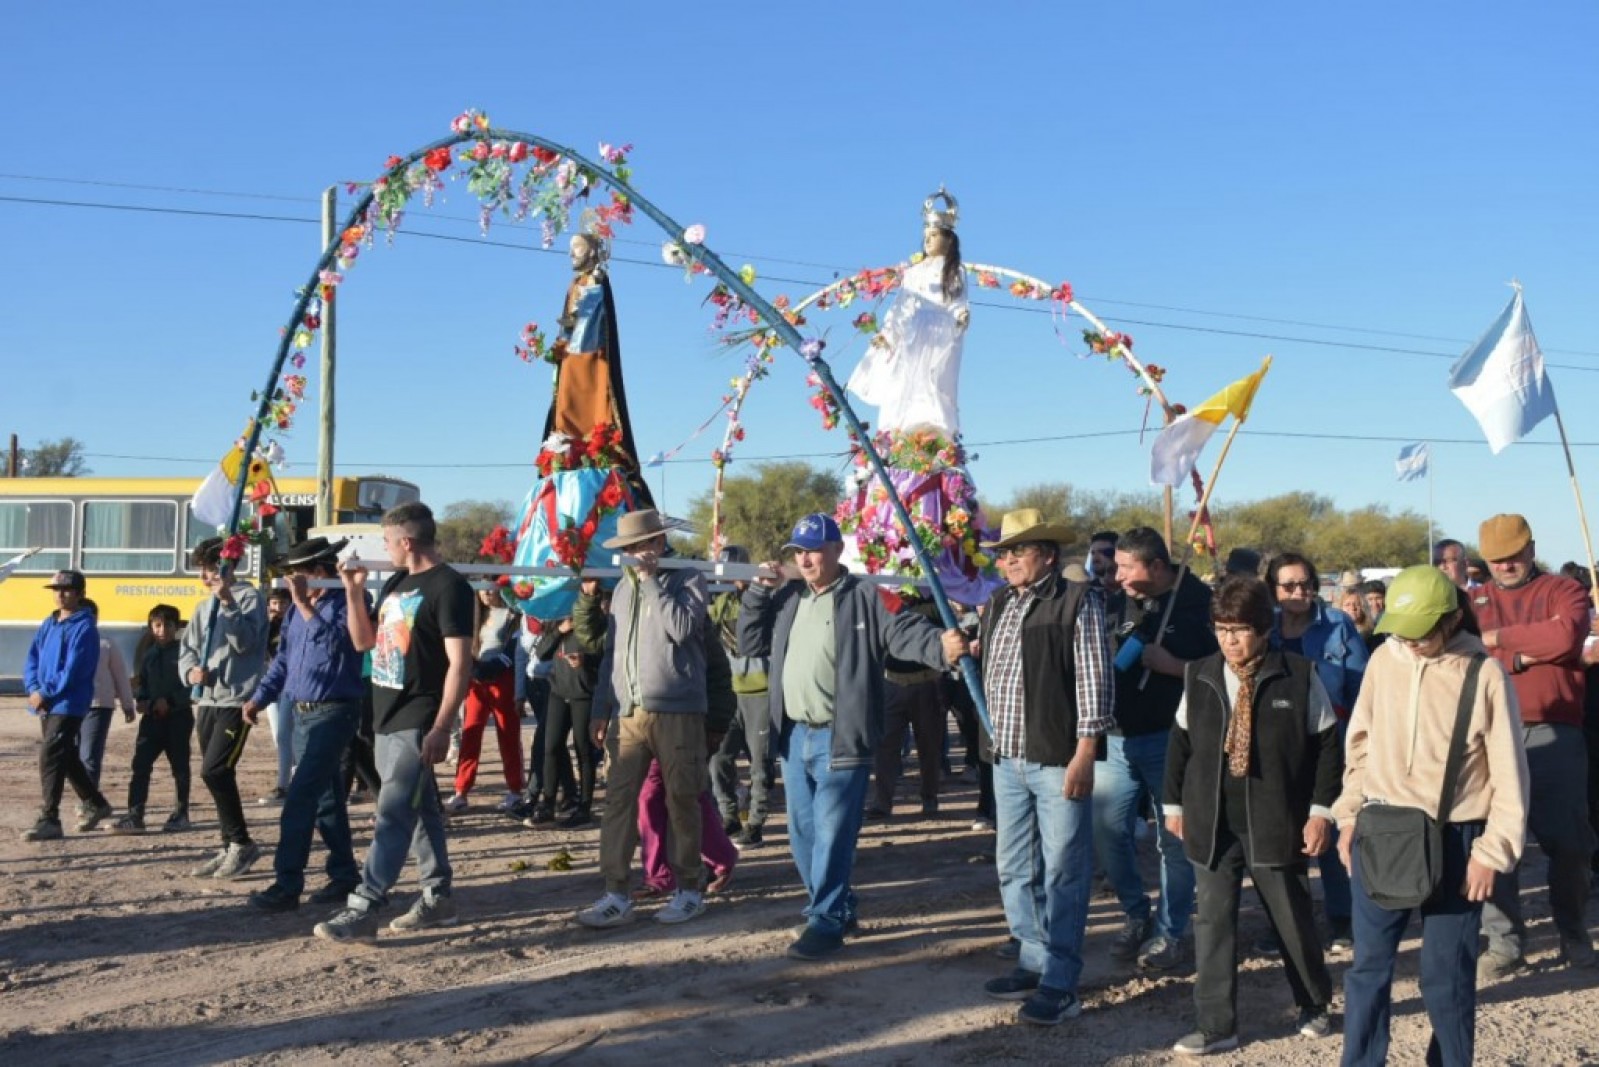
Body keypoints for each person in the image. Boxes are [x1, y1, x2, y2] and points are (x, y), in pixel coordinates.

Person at [740, 512, 966, 962]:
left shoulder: (867, 595)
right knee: (803, 833)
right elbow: (749, 643)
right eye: (798, 552)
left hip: (841, 736)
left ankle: (824, 920)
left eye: (813, 550)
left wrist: (942, 646)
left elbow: (906, 631)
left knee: (832, 830)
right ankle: (837, 905)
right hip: (794, 735)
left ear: (836, 550)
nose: (805, 560)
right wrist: (756, 595)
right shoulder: (787, 598)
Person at [1335, 565, 1529, 1066]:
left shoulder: (1483, 672)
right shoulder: (1383, 661)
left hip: (1457, 841)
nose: (1410, 641)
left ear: (1448, 619)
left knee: (1446, 978)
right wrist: (1349, 816)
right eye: (1401, 630)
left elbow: (1509, 772)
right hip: (1381, 832)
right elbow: (1359, 747)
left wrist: (1493, 852)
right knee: (1369, 970)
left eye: (1419, 632)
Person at [1164, 576, 1341, 1055]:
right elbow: (1180, 745)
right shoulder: (1198, 674)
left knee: (1291, 917)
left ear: (1263, 629)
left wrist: (1321, 811)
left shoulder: (1298, 675)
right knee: (1214, 922)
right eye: (1221, 629)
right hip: (1212, 820)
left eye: (1239, 630)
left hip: (1275, 817)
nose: (1229, 640)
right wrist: (1174, 804)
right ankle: (1216, 1025)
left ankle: (1315, 1003)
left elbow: (1328, 746)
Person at [968, 509, 1114, 1026]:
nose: (1007, 560)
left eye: (1018, 551)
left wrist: (1084, 752)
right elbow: (991, 661)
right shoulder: (1001, 602)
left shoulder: (1078, 601)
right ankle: (1031, 959)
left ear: (1047, 555)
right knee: (1014, 866)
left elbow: (1094, 682)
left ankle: (1060, 980)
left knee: (1063, 872)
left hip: (1056, 759)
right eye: (1004, 552)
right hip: (1006, 758)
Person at [313, 502, 475, 942]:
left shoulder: (450, 588)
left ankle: (365, 906)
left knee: (393, 812)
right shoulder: (398, 582)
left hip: (419, 716)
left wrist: (442, 726)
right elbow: (365, 641)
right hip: (385, 714)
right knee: (421, 810)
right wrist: (352, 590)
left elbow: (461, 663)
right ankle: (439, 898)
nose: (383, 549)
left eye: (386, 541)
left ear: (406, 541)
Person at [1470, 513, 1596, 976]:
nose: (1505, 566)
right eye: (1496, 559)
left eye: (1514, 556)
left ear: (1531, 549)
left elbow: (1566, 635)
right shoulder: (1472, 600)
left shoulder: (1564, 590)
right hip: (1488, 734)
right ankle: (1504, 943)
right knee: (1494, 843)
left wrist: (1501, 644)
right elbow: (1465, 649)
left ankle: (1573, 933)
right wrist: (1526, 654)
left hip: (1554, 730)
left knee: (1569, 843)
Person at [577, 509, 712, 929]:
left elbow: (682, 629)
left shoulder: (688, 578)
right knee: (619, 801)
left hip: (678, 710)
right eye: (630, 548)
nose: (637, 554)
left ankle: (689, 888)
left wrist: (653, 582)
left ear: (658, 543)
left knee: (681, 799)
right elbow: (611, 656)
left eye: (642, 545)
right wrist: (602, 707)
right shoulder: (621, 592)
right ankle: (616, 892)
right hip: (628, 713)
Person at [1097, 527, 1215, 971]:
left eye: (1126, 566)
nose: (1117, 573)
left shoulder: (1199, 604)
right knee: (1106, 831)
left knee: (1173, 841)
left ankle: (1170, 931)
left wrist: (1175, 668)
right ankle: (1135, 913)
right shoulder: (1116, 602)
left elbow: (1228, 672)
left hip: (1171, 739)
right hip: (1116, 736)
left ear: (1158, 566)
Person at [241, 537, 370, 913]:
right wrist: (260, 696)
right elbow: (284, 658)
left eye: (295, 573)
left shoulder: (348, 600)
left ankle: (287, 884)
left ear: (317, 572)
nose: (289, 582)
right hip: (301, 712)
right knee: (327, 799)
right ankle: (345, 874)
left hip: (334, 711)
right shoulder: (299, 612)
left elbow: (336, 644)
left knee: (300, 797)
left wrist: (300, 603)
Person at [1266, 552, 1368, 953]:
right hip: (1278, 750)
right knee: (1283, 837)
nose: (1299, 592)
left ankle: (1343, 920)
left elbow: (1362, 688)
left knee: (1333, 828)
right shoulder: (1264, 628)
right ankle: (1287, 925)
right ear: (1273, 590)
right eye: (1289, 585)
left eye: (1306, 584)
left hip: (1331, 745)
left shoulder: (1338, 626)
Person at [845, 187, 970, 436]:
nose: (928, 241)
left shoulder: (955, 270)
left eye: (934, 235)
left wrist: (960, 314)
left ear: (948, 238)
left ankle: (932, 430)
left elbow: (959, 299)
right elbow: (901, 306)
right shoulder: (913, 272)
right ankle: (900, 429)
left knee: (933, 380)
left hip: (941, 331)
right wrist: (889, 333)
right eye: (926, 236)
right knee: (904, 379)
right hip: (914, 329)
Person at [180, 537, 269, 879]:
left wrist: (228, 603)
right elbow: (188, 648)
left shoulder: (249, 598)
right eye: (201, 571)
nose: (204, 578)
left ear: (227, 567)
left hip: (237, 698)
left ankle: (242, 843)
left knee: (214, 770)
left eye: (209, 570)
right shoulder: (203, 608)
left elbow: (246, 643)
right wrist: (191, 672)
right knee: (216, 773)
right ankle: (228, 843)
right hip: (207, 699)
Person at [544, 230, 652, 508]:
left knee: (593, 408)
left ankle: (596, 448)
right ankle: (566, 450)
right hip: (572, 362)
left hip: (590, 360)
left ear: (592, 251)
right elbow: (569, 326)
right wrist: (556, 345)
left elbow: (587, 328)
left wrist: (570, 334)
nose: (571, 254)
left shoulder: (596, 281)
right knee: (564, 408)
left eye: (577, 248)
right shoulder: (575, 282)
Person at [22, 569, 113, 840]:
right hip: (46, 702)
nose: (60, 595)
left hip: (68, 703)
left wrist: (46, 692)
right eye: (56, 590)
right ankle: (95, 802)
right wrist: (33, 689)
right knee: (65, 756)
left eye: (67, 590)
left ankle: (50, 817)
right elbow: (33, 658)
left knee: (50, 755)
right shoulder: (49, 624)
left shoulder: (84, 627)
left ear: (80, 594)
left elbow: (74, 670)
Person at [708, 545, 774, 846]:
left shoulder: (765, 598)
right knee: (719, 758)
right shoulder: (720, 603)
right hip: (730, 692)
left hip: (762, 690)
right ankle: (729, 815)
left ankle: (756, 821)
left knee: (761, 762)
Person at [111, 604, 194, 833]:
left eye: (168, 625)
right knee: (140, 765)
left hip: (178, 717)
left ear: (176, 627)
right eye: (157, 625)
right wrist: (142, 700)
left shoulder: (185, 654)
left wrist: (171, 701)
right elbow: (142, 684)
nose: (162, 630)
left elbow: (192, 687)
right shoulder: (148, 655)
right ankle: (135, 815)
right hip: (152, 720)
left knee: (179, 767)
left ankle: (181, 813)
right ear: (150, 627)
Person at [868, 592, 948, 820]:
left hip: (926, 683)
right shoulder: (885, 602)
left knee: (930, 746)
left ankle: (930, 798)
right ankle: (882, 802)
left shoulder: (932, 606)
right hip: (891, 684)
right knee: (885, 747)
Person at [445, 586, 525, 814]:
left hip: (502, 680)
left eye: (491, 587)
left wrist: (488, 669)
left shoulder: (513, 615)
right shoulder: (475, 617)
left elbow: (512, 650)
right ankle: (461, 790)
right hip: (476, 683)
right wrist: (472, 669)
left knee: (508, 734)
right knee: (470, 733)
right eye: (481, 589)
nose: (487, 592)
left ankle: (515, 790)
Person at [531, 604, 602, 827]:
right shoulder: (558, 623)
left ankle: (584, 807)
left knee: (584, 750)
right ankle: (548, 802)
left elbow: (606, 657)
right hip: (558, 692)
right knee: (551, 747)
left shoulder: (596, 623)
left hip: (584, 694)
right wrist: (560, 630)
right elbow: (541, 653)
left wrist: (585, 662)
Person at [80, 597, 136, 791]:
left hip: (98, 705)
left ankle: (89, 800)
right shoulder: (66, 641)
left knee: (89, 755)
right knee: (72, 755)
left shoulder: (105, 643)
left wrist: (127, 704)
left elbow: (120, 675)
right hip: (71, 705)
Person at [257, 586, 294, 806]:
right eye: (274, 603)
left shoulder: (292, 625)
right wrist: (267, 624)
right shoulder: (266, 627)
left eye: (282, 603)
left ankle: (285, 784)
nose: (278, 608)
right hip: (272, 686)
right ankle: (284, 782)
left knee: (287, 735)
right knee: (279, 736)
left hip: (291, 686)